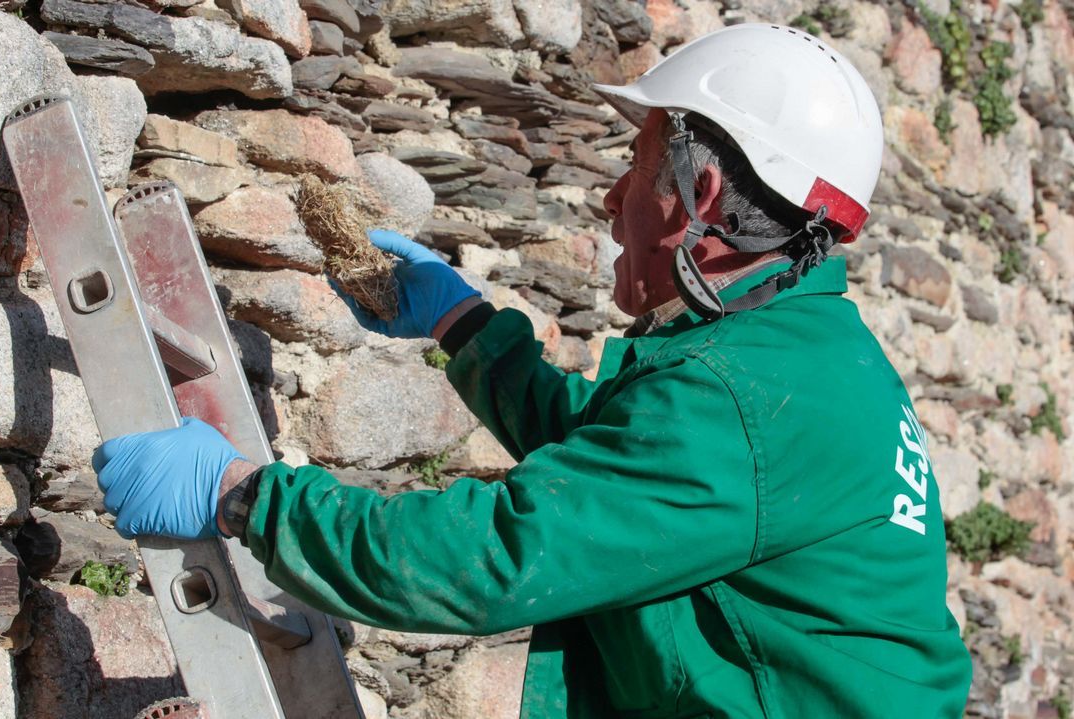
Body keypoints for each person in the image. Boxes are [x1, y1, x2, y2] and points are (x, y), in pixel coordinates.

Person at [94, 24, 973, 718]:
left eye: (635, 162)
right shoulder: (803, 355)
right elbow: (619, 476)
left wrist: (245, 496)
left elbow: (494, 557)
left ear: (700, 198)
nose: (610, 196)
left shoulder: (740, 399)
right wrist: (462, 322)